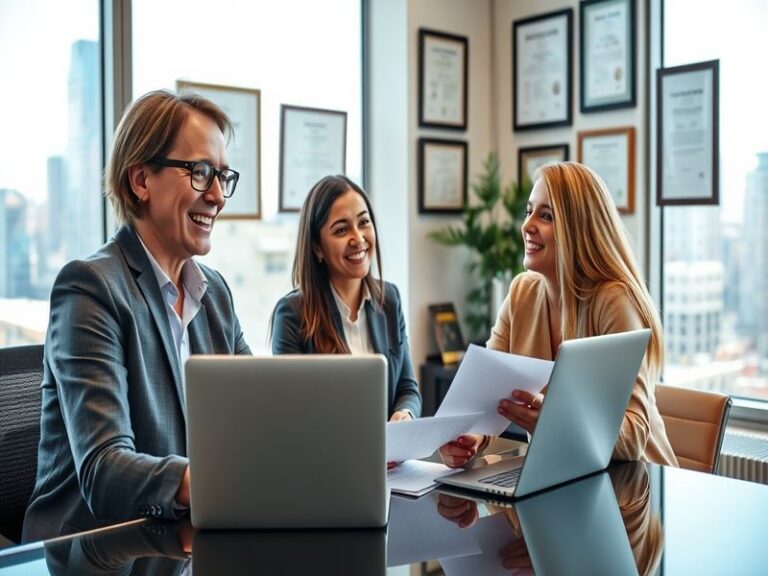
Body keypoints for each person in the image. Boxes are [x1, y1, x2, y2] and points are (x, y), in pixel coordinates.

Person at [23, 89, 250, 542]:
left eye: (223, 176)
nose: (219, 196)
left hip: (186, 539)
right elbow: (105, 469)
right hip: (97, 551)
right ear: (141, 180)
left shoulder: (216, 293)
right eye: (201, 173)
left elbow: (259, 416)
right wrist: (220, 483)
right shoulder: (90, 287)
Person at [440, 161, 677, 468]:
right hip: (562, 478)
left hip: (635, 491)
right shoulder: (521, 293)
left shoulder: (613, 300)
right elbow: (484, 398)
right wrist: (469, 437)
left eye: (546, 216)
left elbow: (633, 437)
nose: (527, 225)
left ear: (578, 229)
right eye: (529, 211)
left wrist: (556, 424)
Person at [270, 175, 421, 421]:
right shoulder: (292, 313)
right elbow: (290, 412)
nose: (358, 238)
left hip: (389, 455)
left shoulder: (389, 299)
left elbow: (408, 388)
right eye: (341, 229)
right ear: (317, 247)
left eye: (363, 223)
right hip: (326, 457)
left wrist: (404, 413)